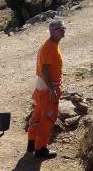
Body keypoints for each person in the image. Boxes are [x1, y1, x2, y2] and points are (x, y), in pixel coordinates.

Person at [26, 19, 65, 160]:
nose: (63, 30)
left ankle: (31, 142)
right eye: (60, 29)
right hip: (47, 86)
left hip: (42, 86)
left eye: (63, 28)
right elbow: (45, 70)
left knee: (38, 114)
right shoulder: (49, 47)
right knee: (48, 117)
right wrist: (52, 90)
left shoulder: (50, 45)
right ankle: (41, 149)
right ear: (52, 31)